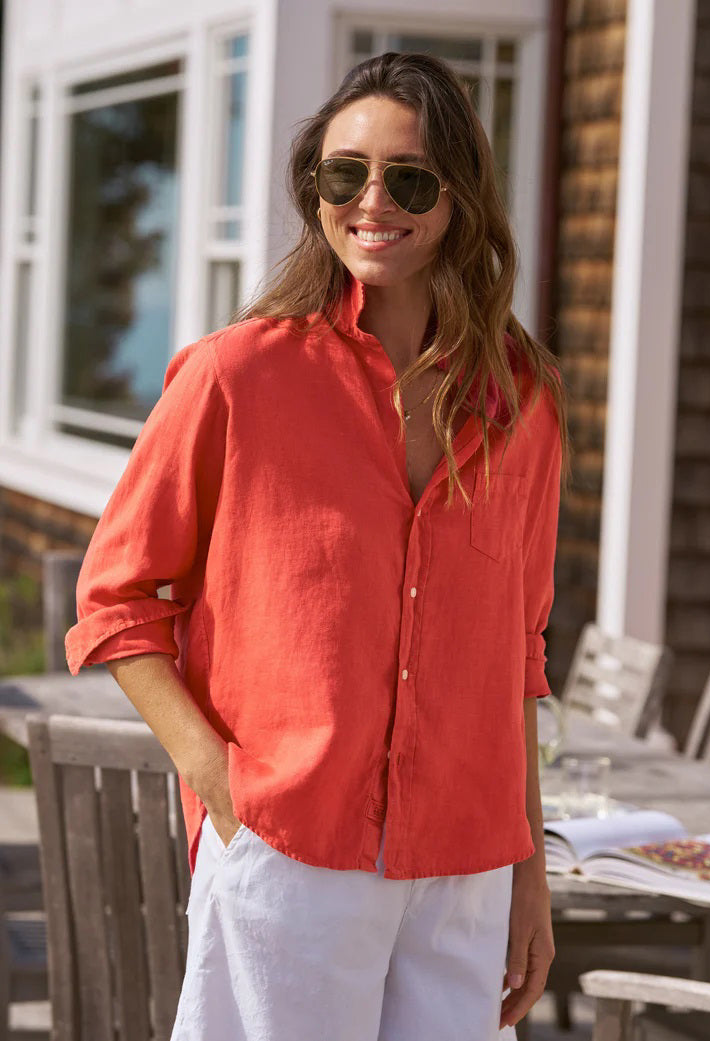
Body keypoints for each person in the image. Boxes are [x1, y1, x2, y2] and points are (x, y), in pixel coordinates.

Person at [65, 50, 569, 1040]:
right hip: (289, 846)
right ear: (316, 191)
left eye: (408, 178)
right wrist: (219, 779)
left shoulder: (520, 400)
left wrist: (529, 873)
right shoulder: (235, 377)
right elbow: (115, 603)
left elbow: (516, 651)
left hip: (465, 866)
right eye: (345, 175)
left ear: (460, 199)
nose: (371, 201)